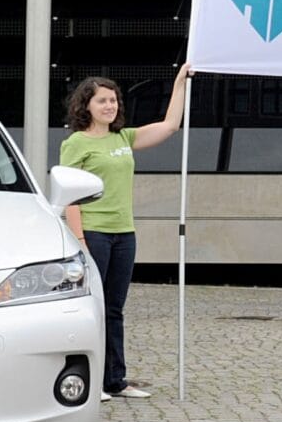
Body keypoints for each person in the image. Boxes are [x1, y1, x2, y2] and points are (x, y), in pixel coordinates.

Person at [60, 65, 192, 400]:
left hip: (124, 234)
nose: (110, 105)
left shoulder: (123, 138)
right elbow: (69, 194)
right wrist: (80, 240)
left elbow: (170, 125)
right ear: (86, 105)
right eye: (102, 100)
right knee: (92, 309)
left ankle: (114, 381)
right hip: (94, 233)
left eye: (114, 100)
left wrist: (178, 83)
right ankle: (89, 382)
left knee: (114, 310)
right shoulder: (76, 143)